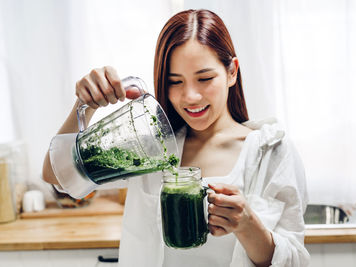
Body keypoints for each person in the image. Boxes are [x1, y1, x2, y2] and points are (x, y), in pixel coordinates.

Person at [42, 9, 310, 267]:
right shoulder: (149, 147)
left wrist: (248, 225)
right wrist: (86, 104)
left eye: (204, 78)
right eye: (175, 81)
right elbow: (58, 176)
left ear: (232, 72)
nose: (190, 96)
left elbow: (294, 261)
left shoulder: (270, 151)